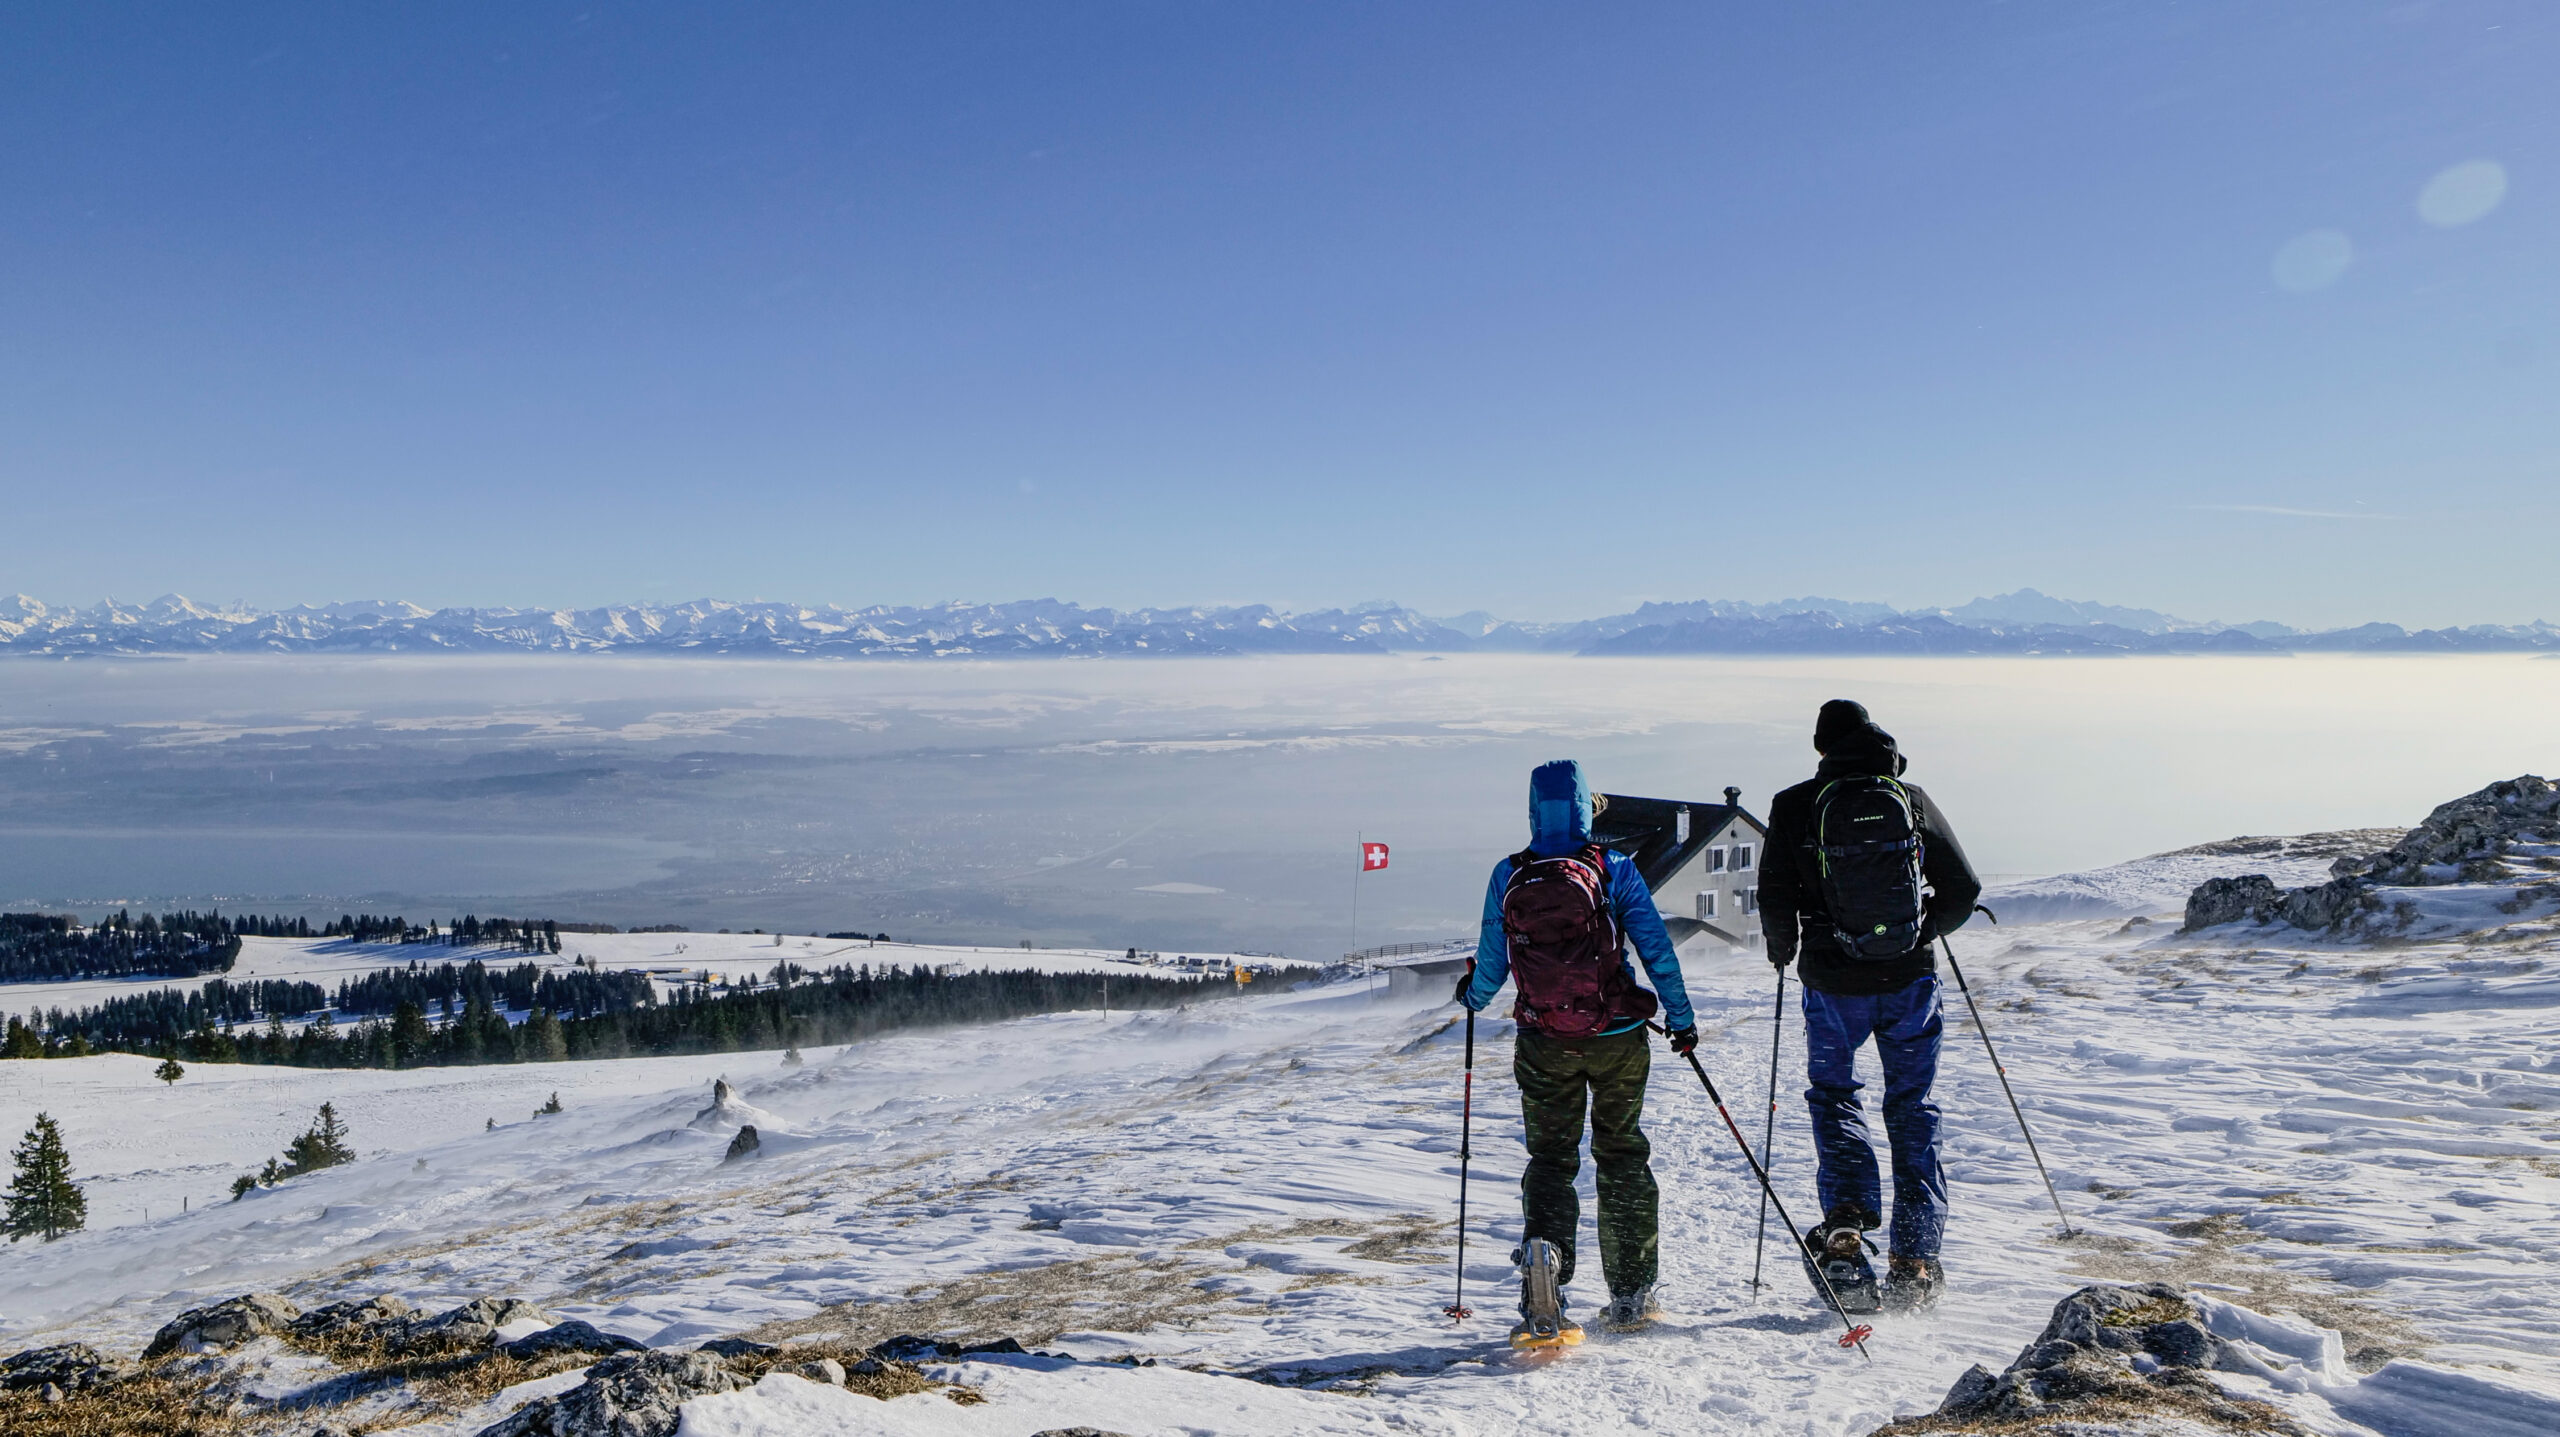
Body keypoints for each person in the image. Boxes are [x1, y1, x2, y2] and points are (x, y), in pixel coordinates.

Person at [1458, 759, 1697, 1344]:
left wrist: (1472, 994)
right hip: (1618, 1040)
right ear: (1587, 805)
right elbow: (1656, 948)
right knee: (1621, 1155)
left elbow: (1492, 960)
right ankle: (1633, 1294)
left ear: (1534, 810)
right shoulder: (1614, 869)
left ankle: (1547, 1263)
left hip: (1544, 1042)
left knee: (1551, 1161)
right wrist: (1682, 1018)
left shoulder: (1509, 873)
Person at [1757, 699, 1981, 1312]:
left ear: (1821, 747)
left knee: (1834, 1094)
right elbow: (1963, 888)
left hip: (1831, 985)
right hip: (1910, 982)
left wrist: (1786, 950)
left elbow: (1773, 892)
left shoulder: (1794, 803)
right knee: (1912, 1105)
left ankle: (1848, 1232)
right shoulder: (1909, 798)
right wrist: (1920, 933)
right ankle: (1916, 1259)